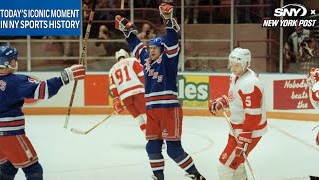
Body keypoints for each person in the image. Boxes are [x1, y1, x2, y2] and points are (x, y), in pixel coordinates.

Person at [114, 3, 206, 180]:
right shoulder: (146, 59)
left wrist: (169, 20)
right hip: (152, 111)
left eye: (154, 49)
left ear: (162, 50)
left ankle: (197, 175)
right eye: (150, 49)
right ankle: (159, 177)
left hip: (169, 110)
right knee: (152, 147)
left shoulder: (169, 60)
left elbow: (171, 41)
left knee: (173, 150)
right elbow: (136, 46)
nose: (151, 51)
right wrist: (127, 31)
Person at [0, 45, 85, 180]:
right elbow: (43, 90)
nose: (16, 62)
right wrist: (65, 77)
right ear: (8, 63)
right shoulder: (16, 81)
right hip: (10, 134)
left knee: (8, 166)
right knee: (33, 169)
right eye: (14, 59)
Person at [208, 47, 268, 179]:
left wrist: (244, 139)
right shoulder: (235, 76)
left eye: (237, 65)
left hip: (249, 130)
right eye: (232, 64)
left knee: (224, 166)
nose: (233, 68)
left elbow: (254, 116)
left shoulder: (250, 83)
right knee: (237, 167)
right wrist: (223, 102)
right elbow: (235, 98)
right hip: (238, 128)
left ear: (246, 64)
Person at [109, 49, 146, 133]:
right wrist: (149, 87)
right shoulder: (132, 60)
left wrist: (116, 100)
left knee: (139, 118)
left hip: (125, 96)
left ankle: (149, 137)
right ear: (126, 55)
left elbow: (113, 87)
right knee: (147, 115)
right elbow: (142, 74)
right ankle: (155, 140)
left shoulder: (112, 70)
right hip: (138, 92)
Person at [306, 67, 319, 145]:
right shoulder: (316, 86)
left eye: (312, 78)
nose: (309, 81)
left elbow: (315, 96)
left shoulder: (316, 86)